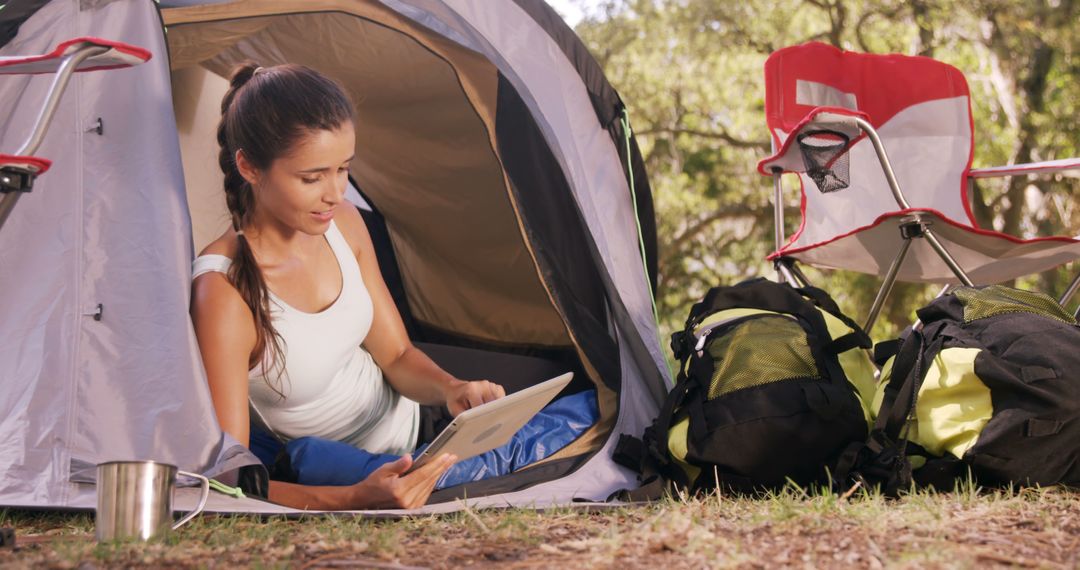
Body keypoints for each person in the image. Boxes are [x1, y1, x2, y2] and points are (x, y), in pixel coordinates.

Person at [189, 63, 507, 510]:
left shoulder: (343, 223)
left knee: (571, 408)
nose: (336, 193)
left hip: (416, 428)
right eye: (312, 177)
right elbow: (226, 478)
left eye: (343, 169)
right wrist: (355, 498)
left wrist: (452, 389)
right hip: (334, 464)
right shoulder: (224, 290)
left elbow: (396, 356)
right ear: (250, 167)